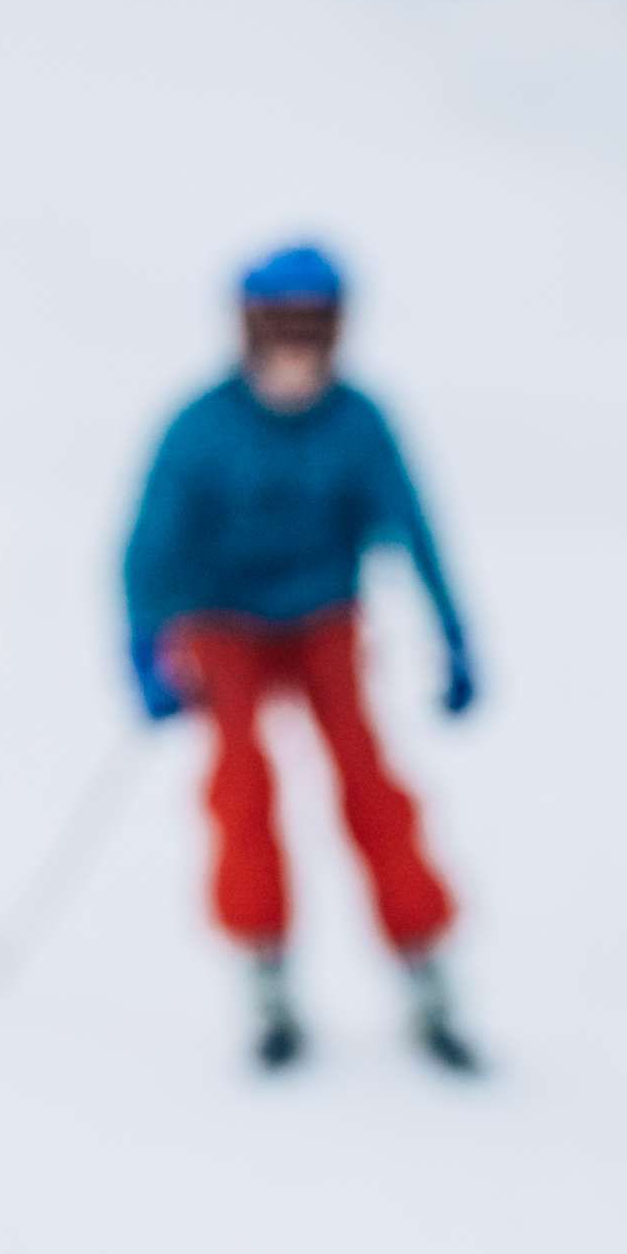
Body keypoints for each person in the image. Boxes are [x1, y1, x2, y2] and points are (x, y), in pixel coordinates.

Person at [119, 245, 481, 1073]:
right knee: (242, 787)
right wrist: (143, 644)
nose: (294, 356)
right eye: (279, 333)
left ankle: (425, 963)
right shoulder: (202, 426)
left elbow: (413, 526)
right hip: (223, 624)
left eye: (311, 334)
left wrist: (454, 632)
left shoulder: (359, 423)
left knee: (369, 780)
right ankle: (265, 968)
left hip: (323, 618)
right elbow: (149, 545)